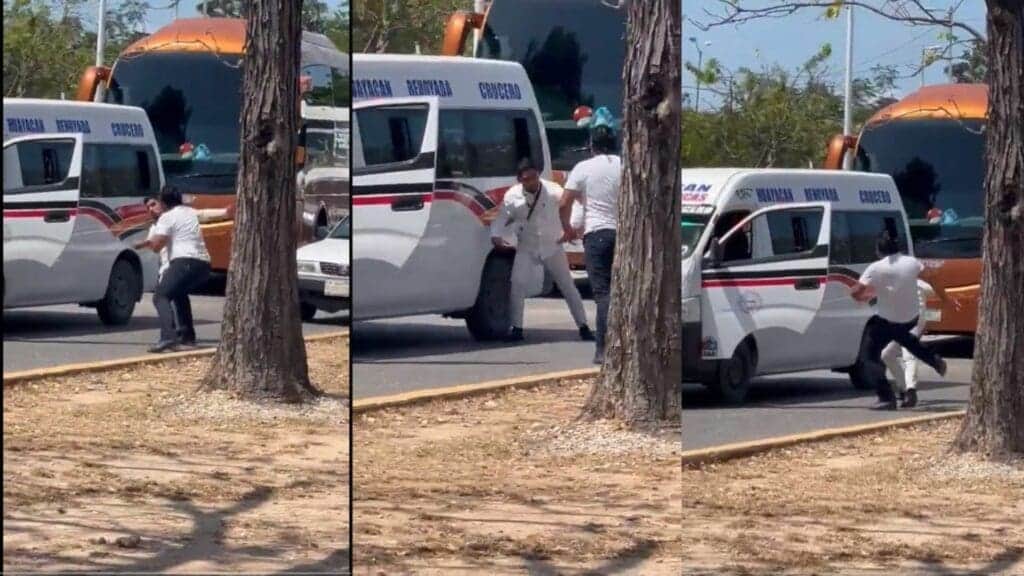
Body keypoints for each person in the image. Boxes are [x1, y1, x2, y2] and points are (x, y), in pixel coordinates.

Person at [491, 158, 594, 342]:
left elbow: (573, 204)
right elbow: (502, 217)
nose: (531, 182)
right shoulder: (512, 195)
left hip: (552, 244)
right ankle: (517, 328)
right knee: (517, 284)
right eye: (526, 179)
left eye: (534, 177)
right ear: (520, 180)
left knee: (567, 286)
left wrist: (571, 228)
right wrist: (496, 235)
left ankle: (583, 326)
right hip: (527, 246)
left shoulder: (553, 190)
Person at [850, 230, 947, 410]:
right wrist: (946, 299)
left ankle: (886, 397)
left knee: (869, 356)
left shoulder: (876, 267)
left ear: (879, 250)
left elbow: (857, 291)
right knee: (904, 337)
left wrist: (862, 296)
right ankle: (934, 360)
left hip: (889, 320)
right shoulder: (912, 262)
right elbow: (933, 279)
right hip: (911, 317)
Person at [559, 116, 621, 364]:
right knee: (623, 292)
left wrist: (568, 230)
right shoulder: (625, 165)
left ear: (591, 145)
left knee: (603, 294)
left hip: (597, 235)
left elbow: (564, 203)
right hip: (625, 236)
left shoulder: (583, 168)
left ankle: (603, 349)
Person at [136, 196, 232, 349]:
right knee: (177, 297)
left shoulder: (176, 216)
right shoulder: (156, 226)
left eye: (153, 204)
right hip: (169, 267)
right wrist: (144, 243)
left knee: (163, 297)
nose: (151, 209)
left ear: (162, 203)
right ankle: (185, 336)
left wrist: (224, 212)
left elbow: (203, 214)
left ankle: (171, 336)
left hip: (179, 265)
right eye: (148, 208)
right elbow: (154, 245)